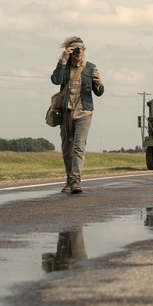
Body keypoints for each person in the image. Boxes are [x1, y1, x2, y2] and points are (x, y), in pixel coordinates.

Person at [50, 36, 104, 194]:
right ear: (69, 51)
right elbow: (55, 80)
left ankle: (75, 181)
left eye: (80, 49)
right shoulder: (64, 66)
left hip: (84, 112)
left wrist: (99, 83)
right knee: (67, 148)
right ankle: (69, 180)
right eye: (74, 50)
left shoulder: (90, 67)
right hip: (66, 112)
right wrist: (63, 59)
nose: (78, 52)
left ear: (84, 51)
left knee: (79, 147)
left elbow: (99, 92)